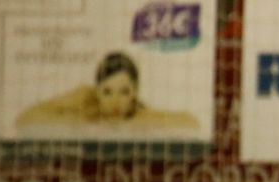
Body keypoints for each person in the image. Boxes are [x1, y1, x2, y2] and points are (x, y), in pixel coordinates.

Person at [18, 51, 199, 135]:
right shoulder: (85, 115)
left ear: (135, 93)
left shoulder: (142, 118)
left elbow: (192, 122)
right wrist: (70, 100)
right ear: (96, 92)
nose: (115, 102)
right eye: (107, 92)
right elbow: (24, 119)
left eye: (124, 92)